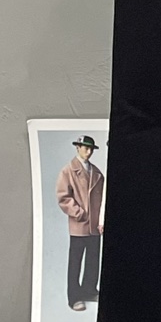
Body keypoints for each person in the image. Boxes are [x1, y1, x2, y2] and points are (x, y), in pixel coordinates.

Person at [56, 133, 105, 311]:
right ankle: (74, 297)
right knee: (75, 262)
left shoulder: (97, 173)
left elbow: (104, 199)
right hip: (79, 225)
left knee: (93, 259)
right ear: (77, 148)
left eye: (91, 149)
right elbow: (63, 197)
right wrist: (78, 212)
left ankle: (89, 290)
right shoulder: (68, 171)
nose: (88, 152)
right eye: (85, 148)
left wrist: (101, 220)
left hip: (95, 226)